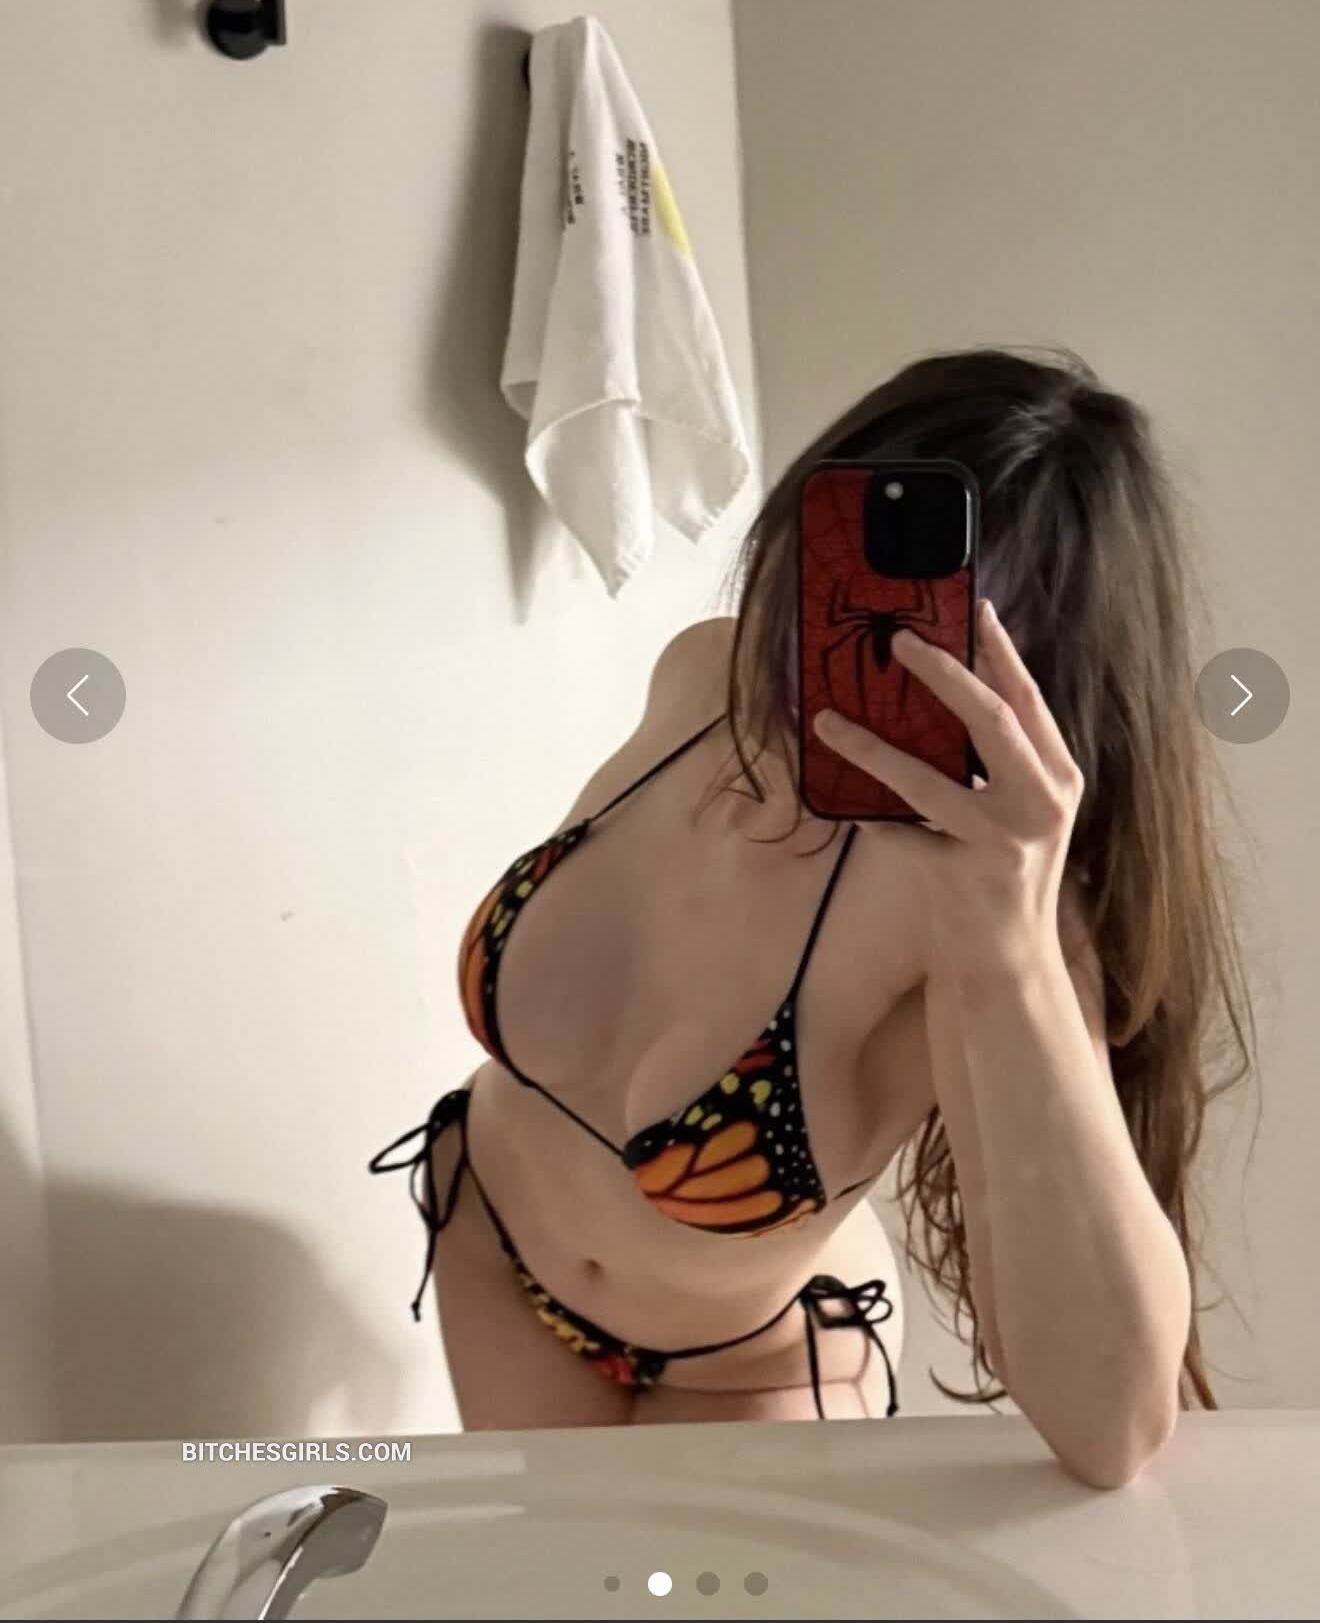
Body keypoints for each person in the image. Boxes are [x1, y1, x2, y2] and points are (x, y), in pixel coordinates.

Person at [371, 347, 1253, 1487]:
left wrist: (1012, 954)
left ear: (1037, 667)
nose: (861, 637)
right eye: (845, 556)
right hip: (485, 1246)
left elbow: (1112, 1429)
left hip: (740, 1364)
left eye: (937, 621)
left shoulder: (987, 907)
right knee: (543, 1572)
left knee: (643, 1585)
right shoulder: (703, 678)